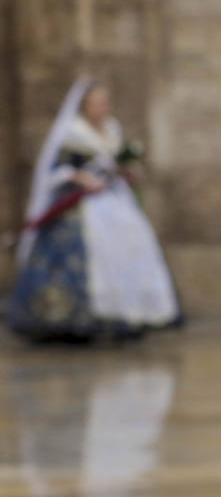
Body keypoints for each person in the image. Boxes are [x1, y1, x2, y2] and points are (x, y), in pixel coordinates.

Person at [8, 79, 179, 339]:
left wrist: (126, 172)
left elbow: (112, 164)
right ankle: (70, 320)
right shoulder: (72, 132)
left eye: (105, 102)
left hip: (113, 199)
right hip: (82, 203)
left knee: (129, 247)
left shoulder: (112, 129)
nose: (103, 107)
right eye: (97, 102)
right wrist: (81, 178)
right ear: (84, 105)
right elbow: (56, 170)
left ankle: (125, 315)